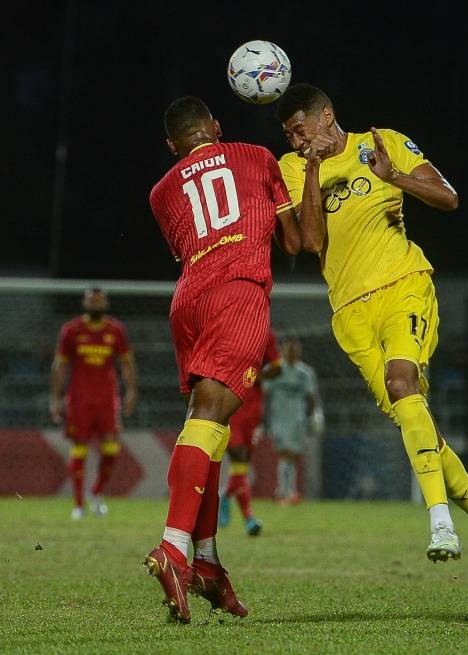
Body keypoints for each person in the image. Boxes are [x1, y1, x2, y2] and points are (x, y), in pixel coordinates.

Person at [275, 84, 468, 593]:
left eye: (301, 129)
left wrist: (396, 178)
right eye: (290, 134)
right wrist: (317, 170)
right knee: (419, 427)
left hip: (404, 286)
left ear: (327, 116)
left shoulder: (381, 141)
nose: (297, 139)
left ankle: (439, 519)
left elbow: (449, 197)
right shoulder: (294, 168)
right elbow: (310, 243)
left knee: (402, 382)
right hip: (349, 312)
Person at [146, 95, 301, 623]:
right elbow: (296, 241)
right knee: (211, 420)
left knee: (203, 426)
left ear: (172, 146)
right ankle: (172, 549)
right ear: (216, 126)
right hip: (238, 290)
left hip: (188, 299)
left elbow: (193, 241)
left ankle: (208, 563)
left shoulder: (161, 191)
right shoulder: (258, 156)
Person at [50, 288, 138, 520]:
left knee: (111, 448)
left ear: (106, 303)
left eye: (99, 300)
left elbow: (127, 363)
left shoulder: (116, 331)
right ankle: (78, 505)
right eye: (92, 300)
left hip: (107, 398)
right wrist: (55, 398)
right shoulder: (71, 330)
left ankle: (96, 492)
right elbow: (60, 366)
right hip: (79, 398)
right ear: (85, 303)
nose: (96, 304)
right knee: (80, 447)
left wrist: (131, 391)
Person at [218, 327, 282, 536]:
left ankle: (226, 496)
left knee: (242, 465)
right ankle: (249, 518)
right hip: (230, 402)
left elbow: (277, 368)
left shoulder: (265, 334)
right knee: (239, 456)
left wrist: (258, 377)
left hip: (254, 409)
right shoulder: (225, 328)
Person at [264, 335, 322, 505]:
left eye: (295, 348)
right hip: (279, 418)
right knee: (285, 453)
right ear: (282, 349)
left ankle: (284, 491)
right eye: (289, 347)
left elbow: (312, 397)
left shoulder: (305, 372)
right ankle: (286, 491)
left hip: (298, 419)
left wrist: (314, 415)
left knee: (292, 455)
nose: (292, 351)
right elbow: (264, 393)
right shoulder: (273, 370)